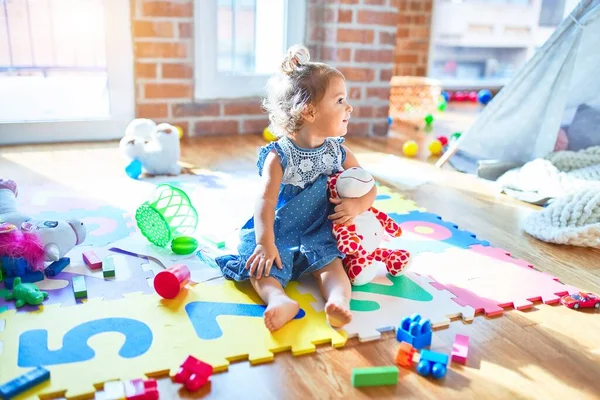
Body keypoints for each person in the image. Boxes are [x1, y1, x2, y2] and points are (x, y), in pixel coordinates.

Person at [215, 44, 377, 332]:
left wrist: (357, 205)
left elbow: (368, 185)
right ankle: (278, 300)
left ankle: (339, 302)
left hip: (320, 229)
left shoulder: (338, 152)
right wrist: (266, 243)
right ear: (309, 111)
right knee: (259, 264)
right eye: (340, 100)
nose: (349, 107)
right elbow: (264, 201)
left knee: (332, 267)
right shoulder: (279, 156)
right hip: (280, 229)